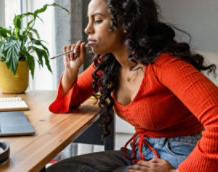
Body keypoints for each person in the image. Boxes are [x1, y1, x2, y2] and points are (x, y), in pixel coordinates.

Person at [46, 0, 218, 171]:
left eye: (97, 20)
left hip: (180, 154)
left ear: (125, 23)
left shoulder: (165, 65)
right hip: (140, 151)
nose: (87, 29)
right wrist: (70, 71)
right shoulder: (108, 63)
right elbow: (67, 104)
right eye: (89, 20)